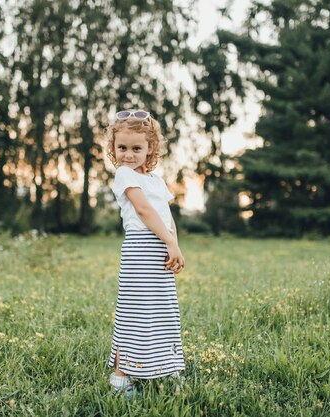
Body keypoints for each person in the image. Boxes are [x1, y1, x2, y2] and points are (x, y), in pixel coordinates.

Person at [104, 109, 186, 398]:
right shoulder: (124, 175)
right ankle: (121, 377)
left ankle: (166, 367)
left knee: (162, 311)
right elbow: (144, 210)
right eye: (122, 147)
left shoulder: (156, 180)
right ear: (113, 148)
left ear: (150, 148)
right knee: (135, 313)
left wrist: (173, 244)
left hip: (160, 247)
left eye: (136, 148)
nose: (128, 154)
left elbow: (166, 215)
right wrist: (168, 241)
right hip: (141, 249)